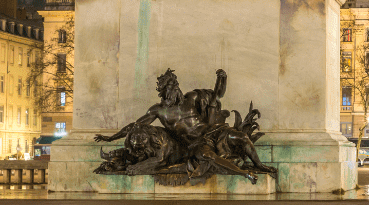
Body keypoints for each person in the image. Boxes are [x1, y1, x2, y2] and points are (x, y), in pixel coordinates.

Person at [94, 69, 276, 183]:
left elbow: (217, 95)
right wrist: (110, 138)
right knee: (207, 155)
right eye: (168, 91)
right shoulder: (159, 111)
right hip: (195, 144)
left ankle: (259, 165)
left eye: (174, 88)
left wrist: (223, 78)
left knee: (242, 137)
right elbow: (134, 126)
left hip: (214, 132)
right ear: (164, 92)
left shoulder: (192, 98)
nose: (172, 94)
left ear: (177, 87)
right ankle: (244, 174)